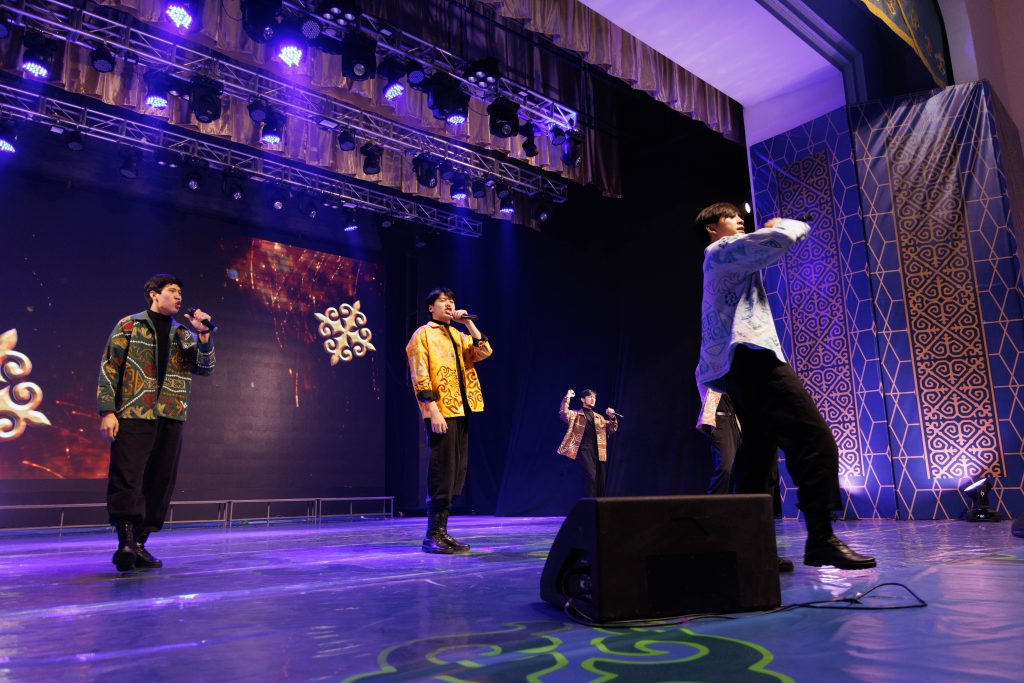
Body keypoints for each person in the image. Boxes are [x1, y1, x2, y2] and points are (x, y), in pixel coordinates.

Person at [696, 202, 875, 570]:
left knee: (757, 458)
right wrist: (784, 223)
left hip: (737, 365)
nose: (740, 220)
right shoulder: (720, 250)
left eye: (740, 216)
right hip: (751, 359)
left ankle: (752, 550)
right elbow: (780, 238)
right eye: (731, 217)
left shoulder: (729, 262)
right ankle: (821, 538)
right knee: (813, 438)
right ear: (712, 229)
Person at [97, 274, 215, 572]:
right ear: (153, 294)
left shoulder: (183, 333)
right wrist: (107, 411)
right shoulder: (130, 325)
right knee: (128, 476)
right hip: (134, 413)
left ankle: (139, 543)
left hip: (171, 414)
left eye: (180, 292)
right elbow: (110, 367)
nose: (178, 297)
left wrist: (204, 336)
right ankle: (125, 543)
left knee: (160, 480)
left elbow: (205, 368)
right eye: (172, 291)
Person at [406, 288, 492, 554]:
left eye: (451, 301)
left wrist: (467, 323)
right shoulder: (423, 334)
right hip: (441, 411)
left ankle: (442, 531)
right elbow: (420, 374)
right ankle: (432, 534)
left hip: (461, 410)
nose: (449, 304)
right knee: (442, 472)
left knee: (456, 473)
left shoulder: (458, 335)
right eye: (443, 301)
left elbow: (484, 351)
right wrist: (433, 410)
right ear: (431, 308)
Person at [558, 389, 619, 497]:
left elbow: (611, 429)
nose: (593, 399)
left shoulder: (599, 417)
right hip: (584, 449)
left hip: (599, 450)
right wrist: (567, 397)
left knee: (601, 480)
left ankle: (599, 504)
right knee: (591, 477)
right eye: (590, 397)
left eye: (594, 397)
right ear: (582, 399)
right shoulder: (576, 415)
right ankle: (590, 504)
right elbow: (563, 413)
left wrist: (612, 416)